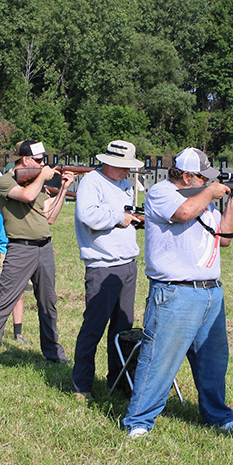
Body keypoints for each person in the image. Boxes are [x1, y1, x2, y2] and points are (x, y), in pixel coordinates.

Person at [120, 148, 233, 437]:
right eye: (203, 177)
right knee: (158, 361)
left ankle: (218, 416)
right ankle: (139, 421)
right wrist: (210, 192)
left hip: (209, 291)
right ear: (186, 176)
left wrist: (232, 201)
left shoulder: (202, 198)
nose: (208, 182)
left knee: (213, 362)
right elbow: (183, 213)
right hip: (175, 292)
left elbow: (225, 239)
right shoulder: (162, 193)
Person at [0, 141, 74, 365]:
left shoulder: (35, 183)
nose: (43, 164)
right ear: (25, 160)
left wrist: (64, 189)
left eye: (44, 160)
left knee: (48, 303)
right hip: (20, 249)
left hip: (44, 247)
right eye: (38, 160)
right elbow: (27, 196)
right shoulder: (5, 181)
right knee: (3, 302)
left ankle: (52, 352)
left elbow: (51, 216)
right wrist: (43, 176)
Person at [70, 140, 145, 400]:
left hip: (127, 264)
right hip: (102, 265)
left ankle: (119, 384)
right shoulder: (92, 181)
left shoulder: (124, 184)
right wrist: (119, 217)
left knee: (123, 328)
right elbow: (87, 215)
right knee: (94, 326)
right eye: (124, 166)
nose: (128, 172)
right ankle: (82, 386)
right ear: (109, 162)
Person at [0, 179, 28, 344]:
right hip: (7, 249)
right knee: (5, 295)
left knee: (19, 295)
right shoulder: (4, 195)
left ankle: (18, 333)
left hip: (24, 249)